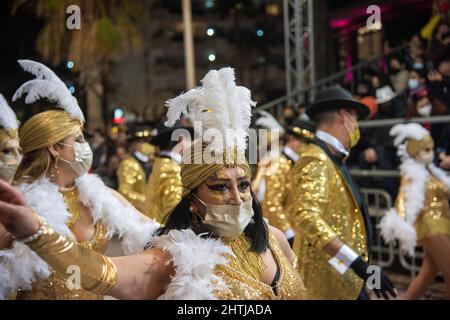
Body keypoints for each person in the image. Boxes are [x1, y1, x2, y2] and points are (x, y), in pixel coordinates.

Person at [0, 67, 307, 300]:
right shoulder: (175, 259)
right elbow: (105, 273)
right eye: (218, 187)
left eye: (242, 185)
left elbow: (140, 225)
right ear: (191, 200)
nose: (238, 199)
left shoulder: (275, 238)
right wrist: (36, 232)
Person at [0, 60, 157, 300]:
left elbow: (154, 233)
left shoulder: (103, 196)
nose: (87, 147)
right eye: (80, 140)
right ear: (55, 148)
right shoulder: (20, 204)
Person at [290, 86, 397, 300]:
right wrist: (359, 266)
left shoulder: (333, 158)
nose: (356, 127)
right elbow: (307, 217)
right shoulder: (316, 158)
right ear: (344, 116)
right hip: (329, 283)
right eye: (355, 119)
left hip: (347, 278)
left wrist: (368, 271)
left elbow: (350, 228)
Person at [380, 123, 450, 299]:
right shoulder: (411, 173)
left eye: (431, 149)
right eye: (425, 150)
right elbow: (403, 199)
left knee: (428, 274)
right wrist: (401, 222)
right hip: (430, 225)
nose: (430, 153)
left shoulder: (432, 171)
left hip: (444, 222)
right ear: (414, 152)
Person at [143, 122, 187, 222]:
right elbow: (175, 211)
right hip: (163, 232)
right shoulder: (172, 168)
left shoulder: (159, 163)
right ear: (180, 139)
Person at [117, 125, 153, 211]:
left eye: (148, 141)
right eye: (143, 141)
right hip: (137, 213)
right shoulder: (128, 164)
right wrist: (147, 201)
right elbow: (125, 192)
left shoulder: (154, 161)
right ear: (135, 144)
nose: (147, 144)